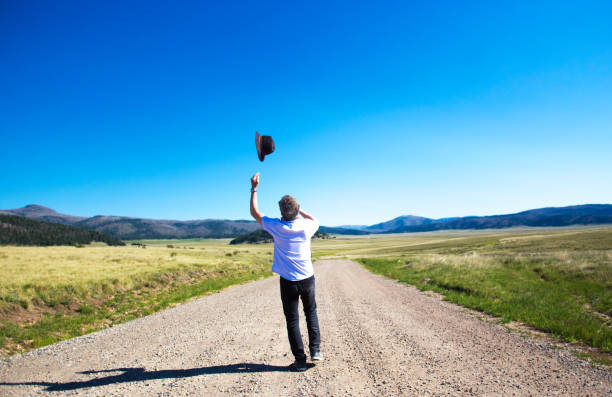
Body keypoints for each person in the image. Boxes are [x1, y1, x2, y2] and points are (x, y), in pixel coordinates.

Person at [249, 172, 322, 372]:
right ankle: (315, 350)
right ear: (297, 211)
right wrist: (299, 211)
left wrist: (254, 187)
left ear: (281, 211)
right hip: (307, 278)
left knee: (292, 320)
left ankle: (300, 361)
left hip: (288, 281)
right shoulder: (307, 226)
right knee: (311, 313)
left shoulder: (277, 226)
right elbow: (314, 218)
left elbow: (255, 212)